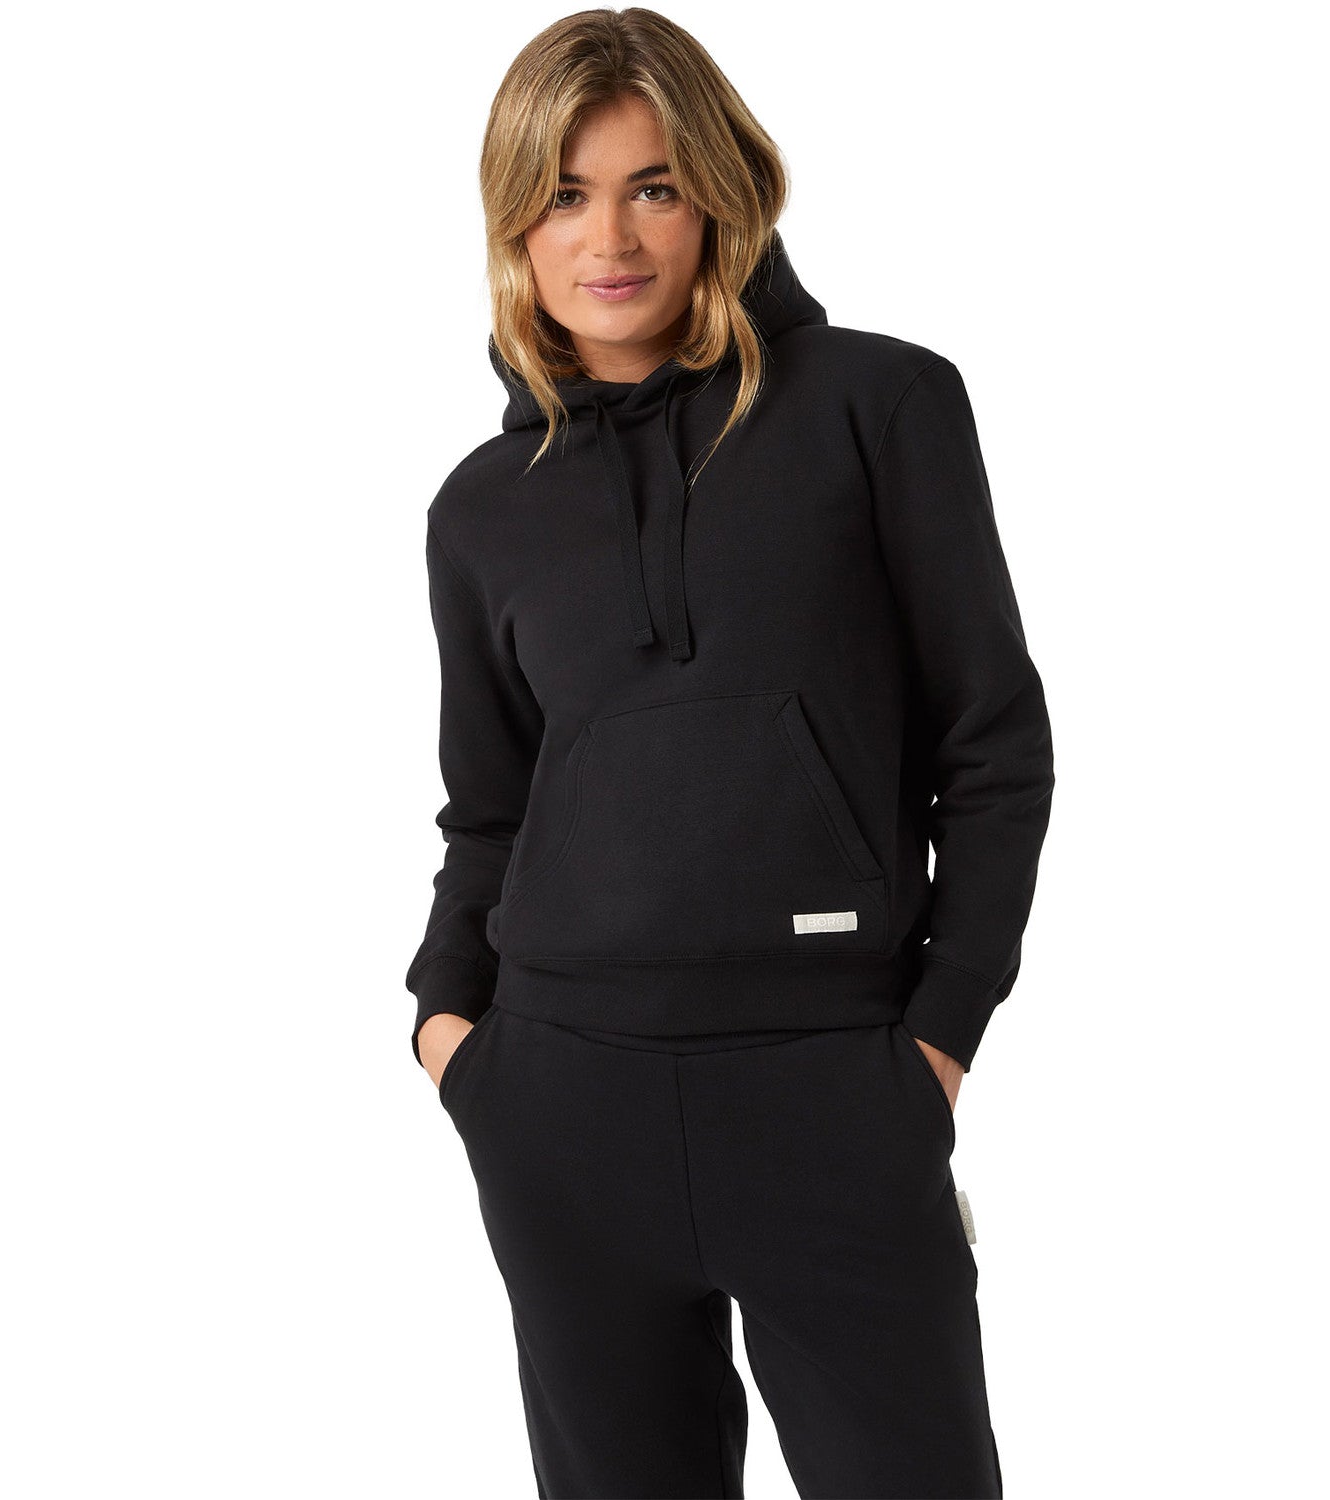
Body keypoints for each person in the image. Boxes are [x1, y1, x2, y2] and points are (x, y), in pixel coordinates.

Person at [403, 10, 1054, 1497]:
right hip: (560, 1101)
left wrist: (938, 1038)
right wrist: (450, 1030)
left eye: (654, 186)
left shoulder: (881, 406)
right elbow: (488, 806)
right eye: (564, 195)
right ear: (514, 226)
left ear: (722, 192)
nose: (609, 237)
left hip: (834, 1086)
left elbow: (995, 746)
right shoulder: (485, 504)